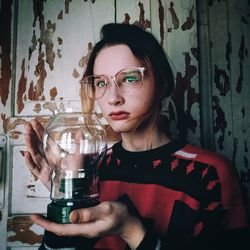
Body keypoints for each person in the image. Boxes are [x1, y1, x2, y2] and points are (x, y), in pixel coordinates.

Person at [24, 23, 248, 250]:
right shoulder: (90, 169)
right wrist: (67, 194)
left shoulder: (211, 173)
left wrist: (132, 230)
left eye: (130, 78)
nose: (113, 97)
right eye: (101, 82)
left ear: (161, 83)